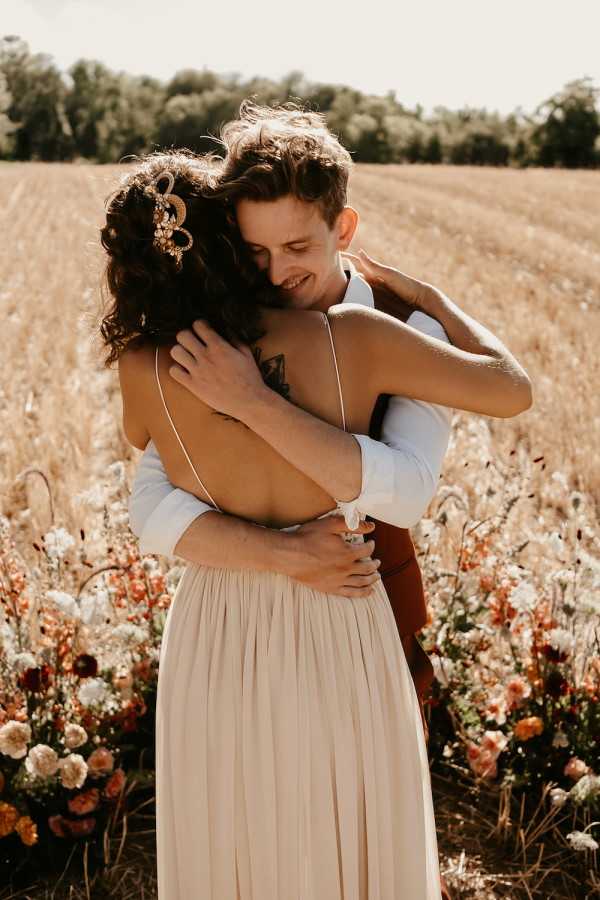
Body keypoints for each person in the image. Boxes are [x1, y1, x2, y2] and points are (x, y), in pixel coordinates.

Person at [102, 136, 531, 896]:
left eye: (295, 246)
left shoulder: (168, 361)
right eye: (254, 250)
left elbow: (404, 491)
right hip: (329, 595)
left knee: (242, 837)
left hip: (277, 614)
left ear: (344, 230)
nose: (274, 272)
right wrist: (288, 552)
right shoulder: (339, 340)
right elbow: (149, 501)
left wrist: (253, 402)